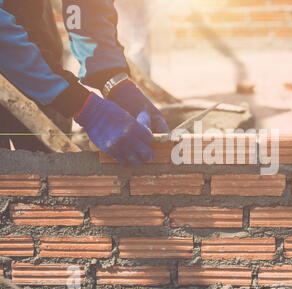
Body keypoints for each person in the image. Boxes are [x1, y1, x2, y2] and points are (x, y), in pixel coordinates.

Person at [0, 0, 169, 166]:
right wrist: (83, 106)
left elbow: (88, 5)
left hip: (28, 12)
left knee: (49, 163)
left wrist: (112, 80)